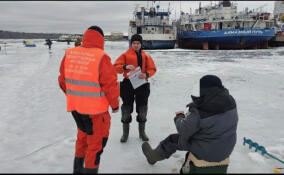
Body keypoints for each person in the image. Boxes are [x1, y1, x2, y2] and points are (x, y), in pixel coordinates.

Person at [141, 75, 238, 174]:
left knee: (172, 140)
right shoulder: (231, 102)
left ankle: (152, 157)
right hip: (226, 148)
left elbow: (183, 130)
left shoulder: (201, 109)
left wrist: (179, 117)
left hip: (206, 151)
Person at [58, 26, 120, 174]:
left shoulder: (69, 54)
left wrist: (74, 96)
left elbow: (62, 80)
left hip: (75, 109)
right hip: (95, 112)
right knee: (95, 146)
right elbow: (110, 85)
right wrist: (115, 105)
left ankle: (77, 170)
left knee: (82, 139)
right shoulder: (101, 57)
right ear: (101, 38)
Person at [114, 34, 156, 142]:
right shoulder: (125, 55)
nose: (136, 45)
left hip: (142, 84)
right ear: (131, 44)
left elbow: (152, 69)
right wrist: (125, 67)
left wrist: (146, 74)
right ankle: (125, 134)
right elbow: (115, 68)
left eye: (138, 43)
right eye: (134, 43)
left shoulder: (146, 56)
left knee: (142, 110)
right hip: (128, 84)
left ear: (141, 44)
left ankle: (142, 133)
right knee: (126, 110)